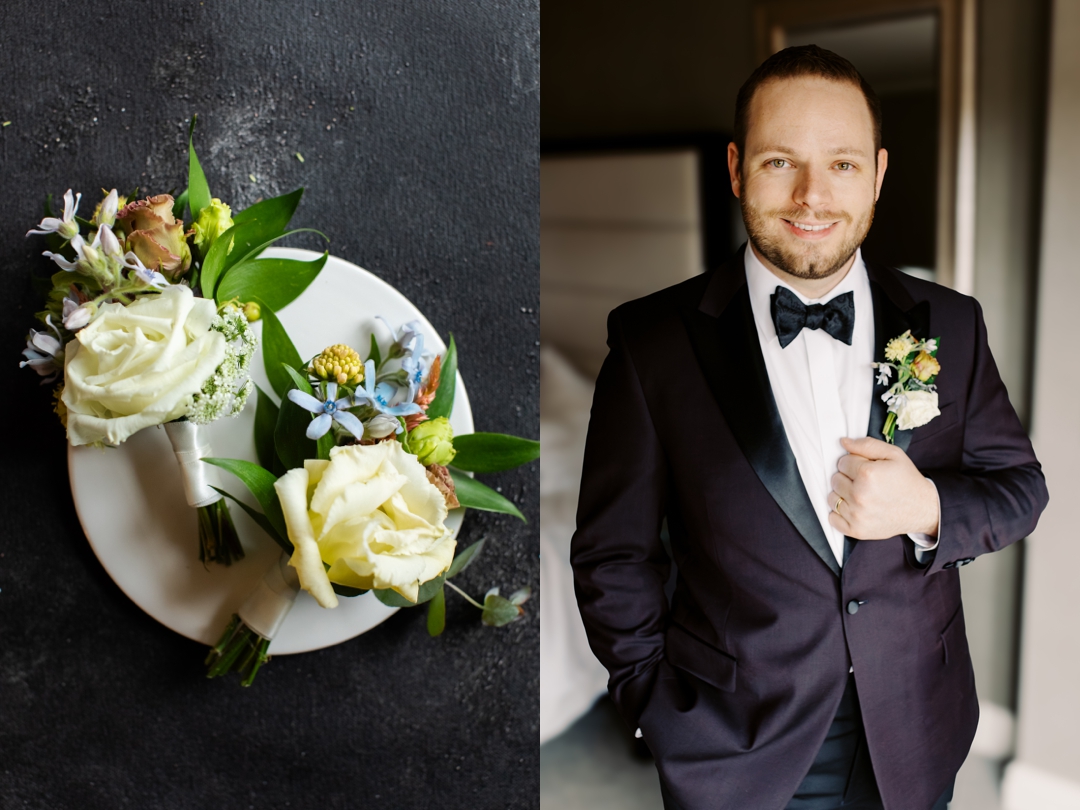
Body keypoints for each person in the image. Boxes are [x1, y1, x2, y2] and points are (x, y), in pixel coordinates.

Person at [569, 45, 1048, 810]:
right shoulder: (651, 343)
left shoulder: (951, 324)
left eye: (843, 165)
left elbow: (1020, 489)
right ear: (737, 169)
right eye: (779, 162)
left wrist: (926, 507)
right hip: (734, 744)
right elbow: (612, 555)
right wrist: (650, 706)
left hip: (918, 724)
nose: (812, 196)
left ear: (879, 174)